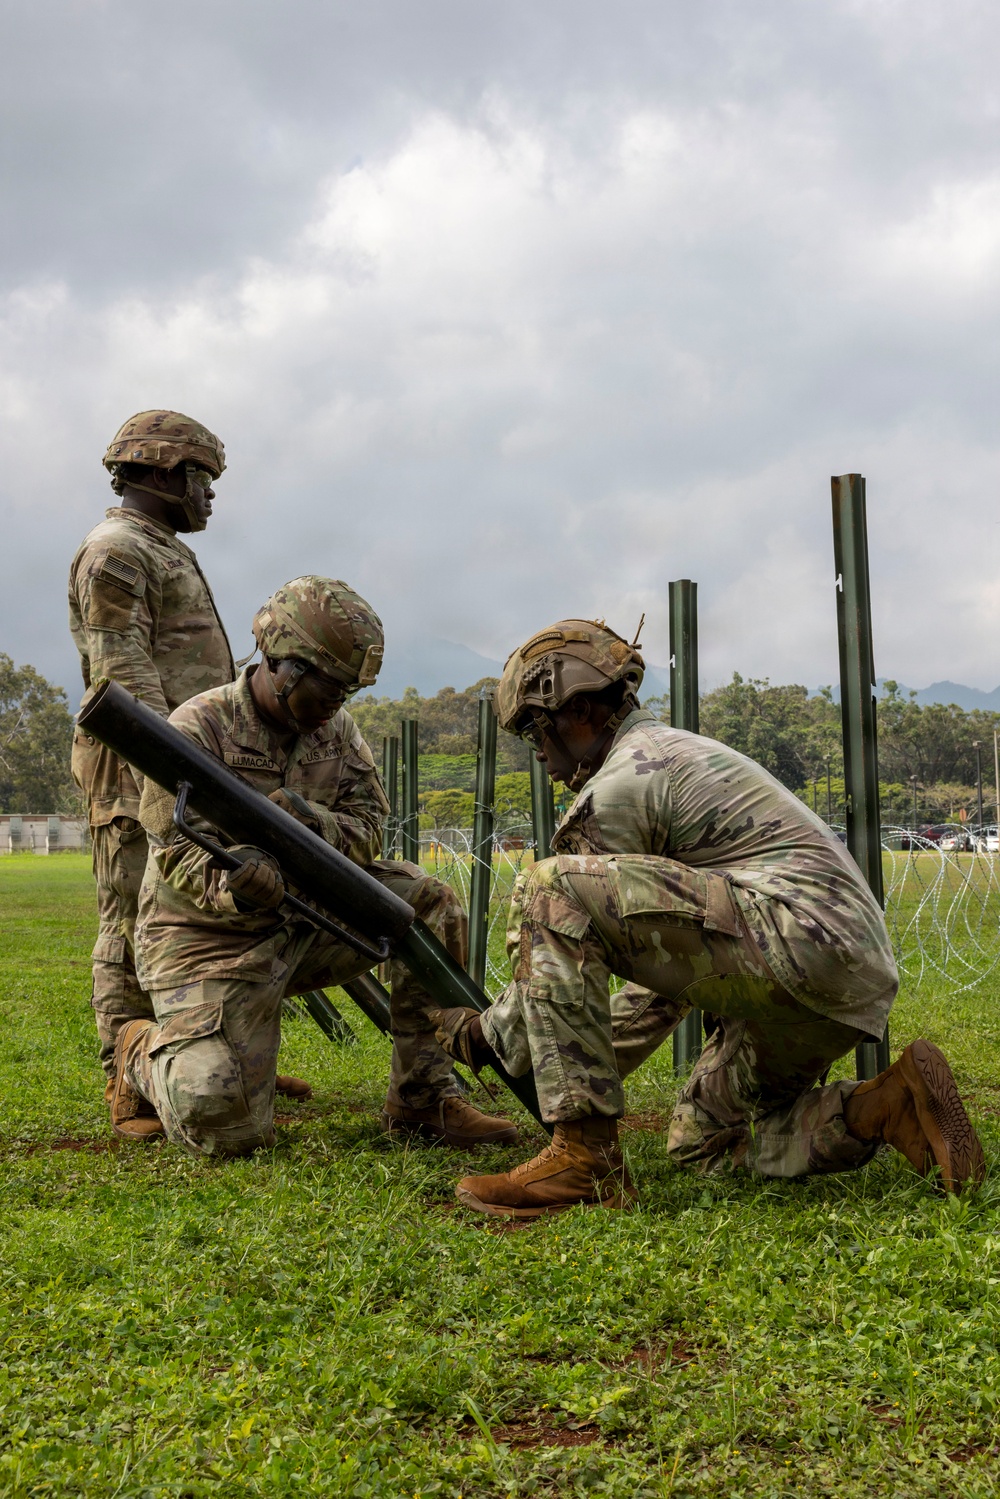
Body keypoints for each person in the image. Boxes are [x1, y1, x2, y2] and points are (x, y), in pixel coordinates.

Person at [430, 619, 986, 1217]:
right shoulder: (673, 755)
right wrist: (576, 1061)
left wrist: (488, 1034)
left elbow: (559, 917)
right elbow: (668, 978)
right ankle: (885, 1105)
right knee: (702, 1141)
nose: (536, 750)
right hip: (840, 976)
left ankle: (584, 1162)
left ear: (582, 711)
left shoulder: (627, 780)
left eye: (536, 729)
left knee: (550, 885)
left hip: (792, 938)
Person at [108, 576, 518, 1157]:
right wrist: (237, 886)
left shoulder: (336, 729)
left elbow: (371, 823)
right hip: (208, 937)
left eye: (346, 692)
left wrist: (312, 823)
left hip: (308, 918)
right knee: (225, 1127)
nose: (337, 704)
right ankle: (140, 1055)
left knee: (426, 900)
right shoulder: (198, 728)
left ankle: (423, 1099)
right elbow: (172, 847)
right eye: (329, 687)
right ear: (284, 665)